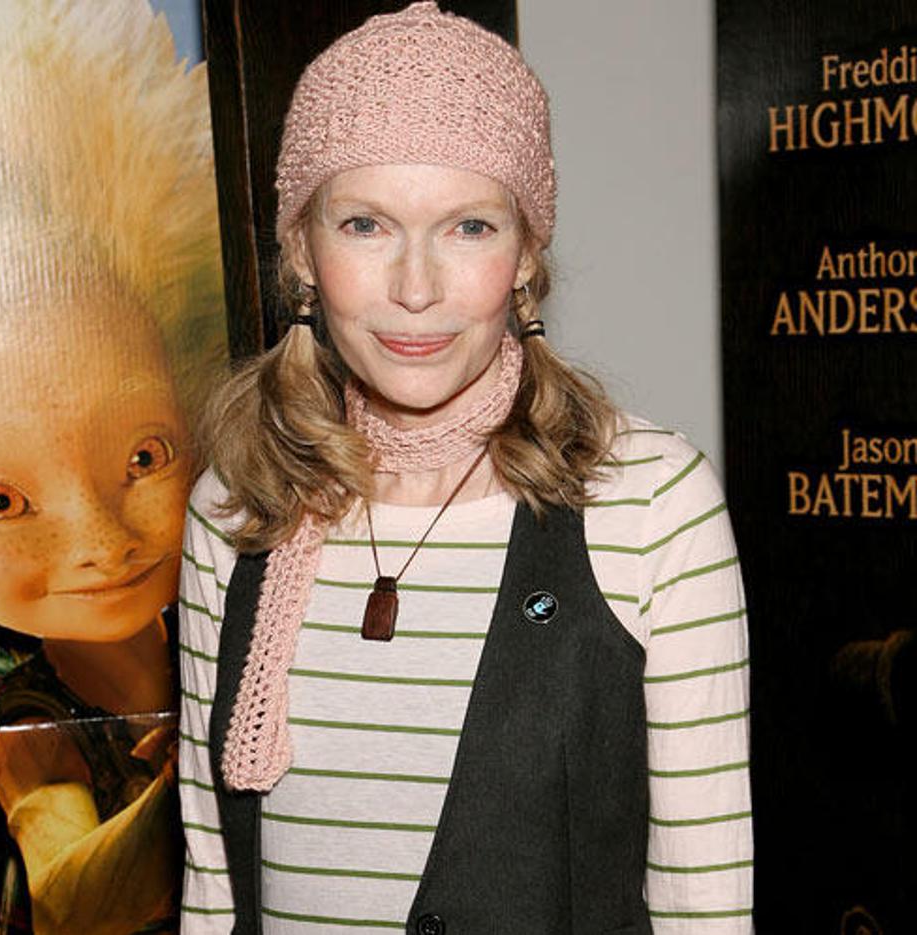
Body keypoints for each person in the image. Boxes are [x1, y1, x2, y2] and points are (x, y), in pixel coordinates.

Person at [179, 3, 752, 932]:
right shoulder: (236, 501)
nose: (416, 288)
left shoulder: (649, 501)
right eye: (364, 224)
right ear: (300, 251)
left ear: (525, 255)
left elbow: (707, 902)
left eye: (469, 227)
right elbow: (213, 883)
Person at [0, 1, 226, 931]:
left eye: (144, 455)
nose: (98, 540)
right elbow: (74, 899)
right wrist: (208, 764)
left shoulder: (224, 636)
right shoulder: (26, 723)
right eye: (1, 500)